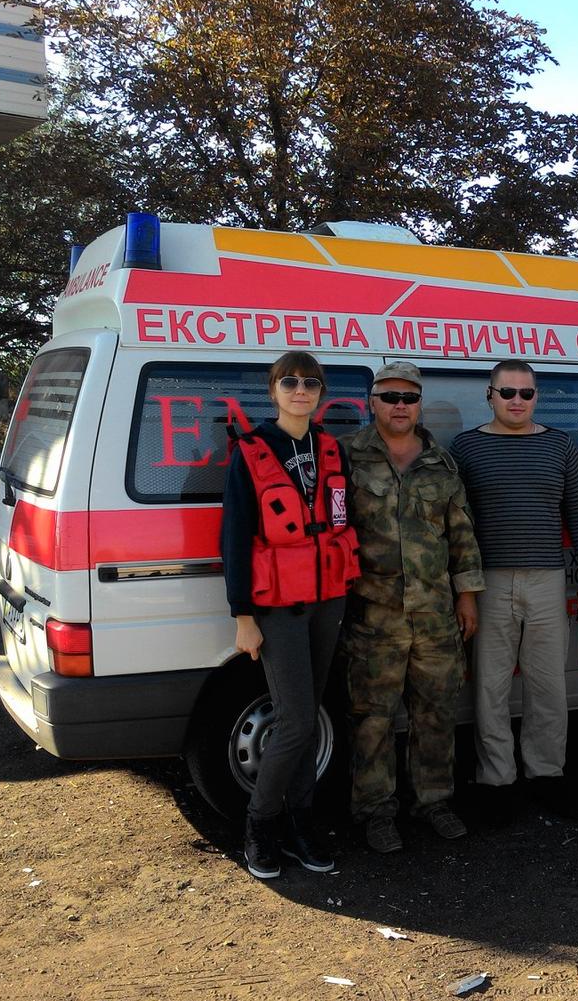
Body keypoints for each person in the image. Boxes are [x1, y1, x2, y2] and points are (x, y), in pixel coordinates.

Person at [221, 351, 362, 878]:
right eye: (290, 382)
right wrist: (243, 616)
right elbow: (233, 537)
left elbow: (342, 520)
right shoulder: (252, 451)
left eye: (310, 382)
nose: (300, 390)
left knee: (305, 721)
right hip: (277, 607)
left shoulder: (330, 449)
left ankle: (302, 826)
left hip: (328, 601)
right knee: (298, 719)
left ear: (321, 392)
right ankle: (260, 825)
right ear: (273, 390)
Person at [339, 361, 486, 854]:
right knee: (373, 718)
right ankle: (376, 812)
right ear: (372, 402)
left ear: (419, 403)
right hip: (372, 615)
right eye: (390, 397)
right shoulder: (346, 457)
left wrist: (467, 597)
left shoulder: (441, 463)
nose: (400, 406)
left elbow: (462, 535)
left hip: (435, 615)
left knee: (436, 714)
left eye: (409, 397)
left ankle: (434, 802)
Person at [450, 360, 578, 817]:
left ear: (537, 396)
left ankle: (547, 774)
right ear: (490, 395)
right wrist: (463, 589)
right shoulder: (466, 447)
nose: (517, 400)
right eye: (507, 392)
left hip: (547, 579)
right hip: (488, 582)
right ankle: (496, 780)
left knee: (548, 685)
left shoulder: (559, 446)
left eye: (526, 393)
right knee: (490, 687)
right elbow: (457, 523)